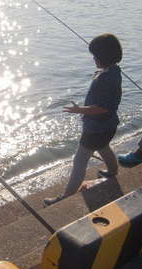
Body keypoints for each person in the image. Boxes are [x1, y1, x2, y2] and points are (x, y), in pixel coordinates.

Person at [44, 33, 122, 205]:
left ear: (103, 57)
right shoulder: (114, 71)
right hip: (109, 125)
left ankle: (67, 196)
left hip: (96, 128)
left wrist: (80, 110)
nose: (94, 59)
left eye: (95, 56)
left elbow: (102, 108)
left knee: (79, 161)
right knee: (104, 147)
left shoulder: (104, 78)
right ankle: (112, 171)